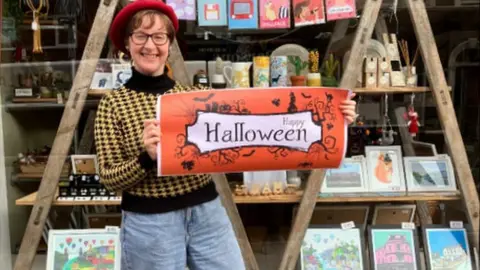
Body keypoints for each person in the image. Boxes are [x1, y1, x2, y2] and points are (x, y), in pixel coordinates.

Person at [94, 1, 357, 269]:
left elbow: (259, 126)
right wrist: (146, 158)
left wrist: (335, 118)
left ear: (169, 44)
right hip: (150, 223)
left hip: (207, 214)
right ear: (127, 44)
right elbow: (109, 178)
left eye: (159, 36)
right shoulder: (113, 104)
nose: (150, 45)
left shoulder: (194, 98)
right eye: (140, 36)